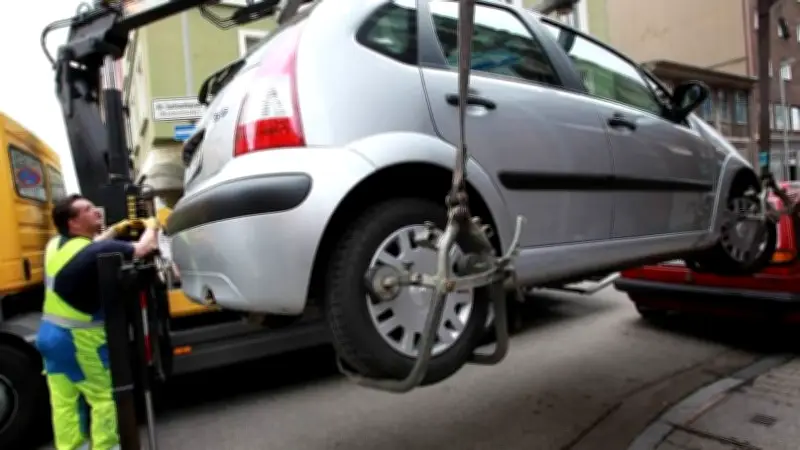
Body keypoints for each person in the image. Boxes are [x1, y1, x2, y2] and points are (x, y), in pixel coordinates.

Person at [35, 194, 160, 450]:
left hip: (49, 336)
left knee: (64, 403)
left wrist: (115, 230)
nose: (96, 211)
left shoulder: (55, 245)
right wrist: (152, 226)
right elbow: (142, 248)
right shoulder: (96, 251)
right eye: (88, 209)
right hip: (80, 341)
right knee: (103, 398)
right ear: (73, 222)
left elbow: (89, 248)